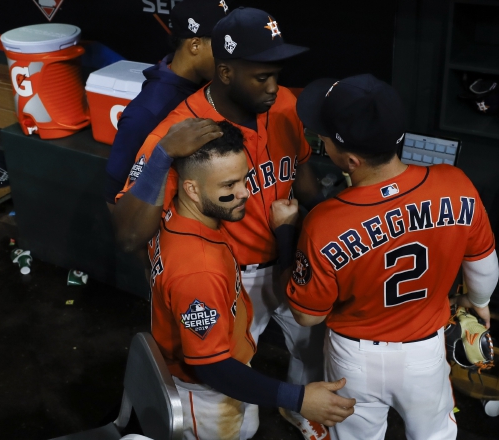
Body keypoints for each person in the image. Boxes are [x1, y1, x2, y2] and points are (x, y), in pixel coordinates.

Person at [113, 7, 329, 439]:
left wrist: (317, 231)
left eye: (276, 74)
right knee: (228, 392)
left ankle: (301, 411)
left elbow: (304, 177)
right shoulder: (181, 131)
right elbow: (129, 234)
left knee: (311, 348)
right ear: (225, 72)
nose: (274, 87)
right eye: (261, 77)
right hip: (228, 281)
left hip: (287, 257)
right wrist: (162, 157)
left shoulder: (285, 105)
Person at [283, 74, 499, 440]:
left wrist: (286, 232)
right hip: (424, 354)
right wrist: (478, 301)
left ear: (350, 160)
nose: (319, 137)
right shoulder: (455, 184)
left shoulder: (323, 223)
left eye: (324, 136)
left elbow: (306, 316)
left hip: (354, 359)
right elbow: (483, 267)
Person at [150, 120, 355, 440]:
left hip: (224, 370)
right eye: (229, 186)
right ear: (191, 188)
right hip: (206, 394)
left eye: (246, 178)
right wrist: (299, 399)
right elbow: (212, 367)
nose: (245, 192)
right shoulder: (198, 272)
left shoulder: (176, 215)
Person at [104, 0, 229, 209]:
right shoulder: (147, 112)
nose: (229, 54)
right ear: (195, 45)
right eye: (221, 45)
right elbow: (114, 197)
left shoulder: (209, 84)